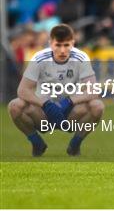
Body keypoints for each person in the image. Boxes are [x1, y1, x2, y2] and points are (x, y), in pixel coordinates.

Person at [7, 24, 105, 157]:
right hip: (43, 115)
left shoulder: (81, 57)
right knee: (14, 106)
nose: (62, 50)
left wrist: (70, 101)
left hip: (70, 114)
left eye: (66, 45)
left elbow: (93, 90)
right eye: (58, 45)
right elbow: (23, 90)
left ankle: (75, 145)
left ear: (73, 43)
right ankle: (37, 143)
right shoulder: (39, 58)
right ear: (50, 44)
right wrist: (45, 104)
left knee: (97, 106)